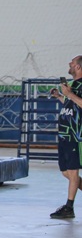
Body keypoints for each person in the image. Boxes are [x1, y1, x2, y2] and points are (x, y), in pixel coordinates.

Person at [49, 55, 82, 219]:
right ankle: (69, 207)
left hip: (75, 135)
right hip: (64, 134)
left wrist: (69, 94)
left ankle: (69, 207)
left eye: (72, 63)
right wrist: (61, 97)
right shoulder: (73, 86)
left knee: (73, 171)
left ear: (78, 67)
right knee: (65, 172)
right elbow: (73, 106)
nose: (69, 64)